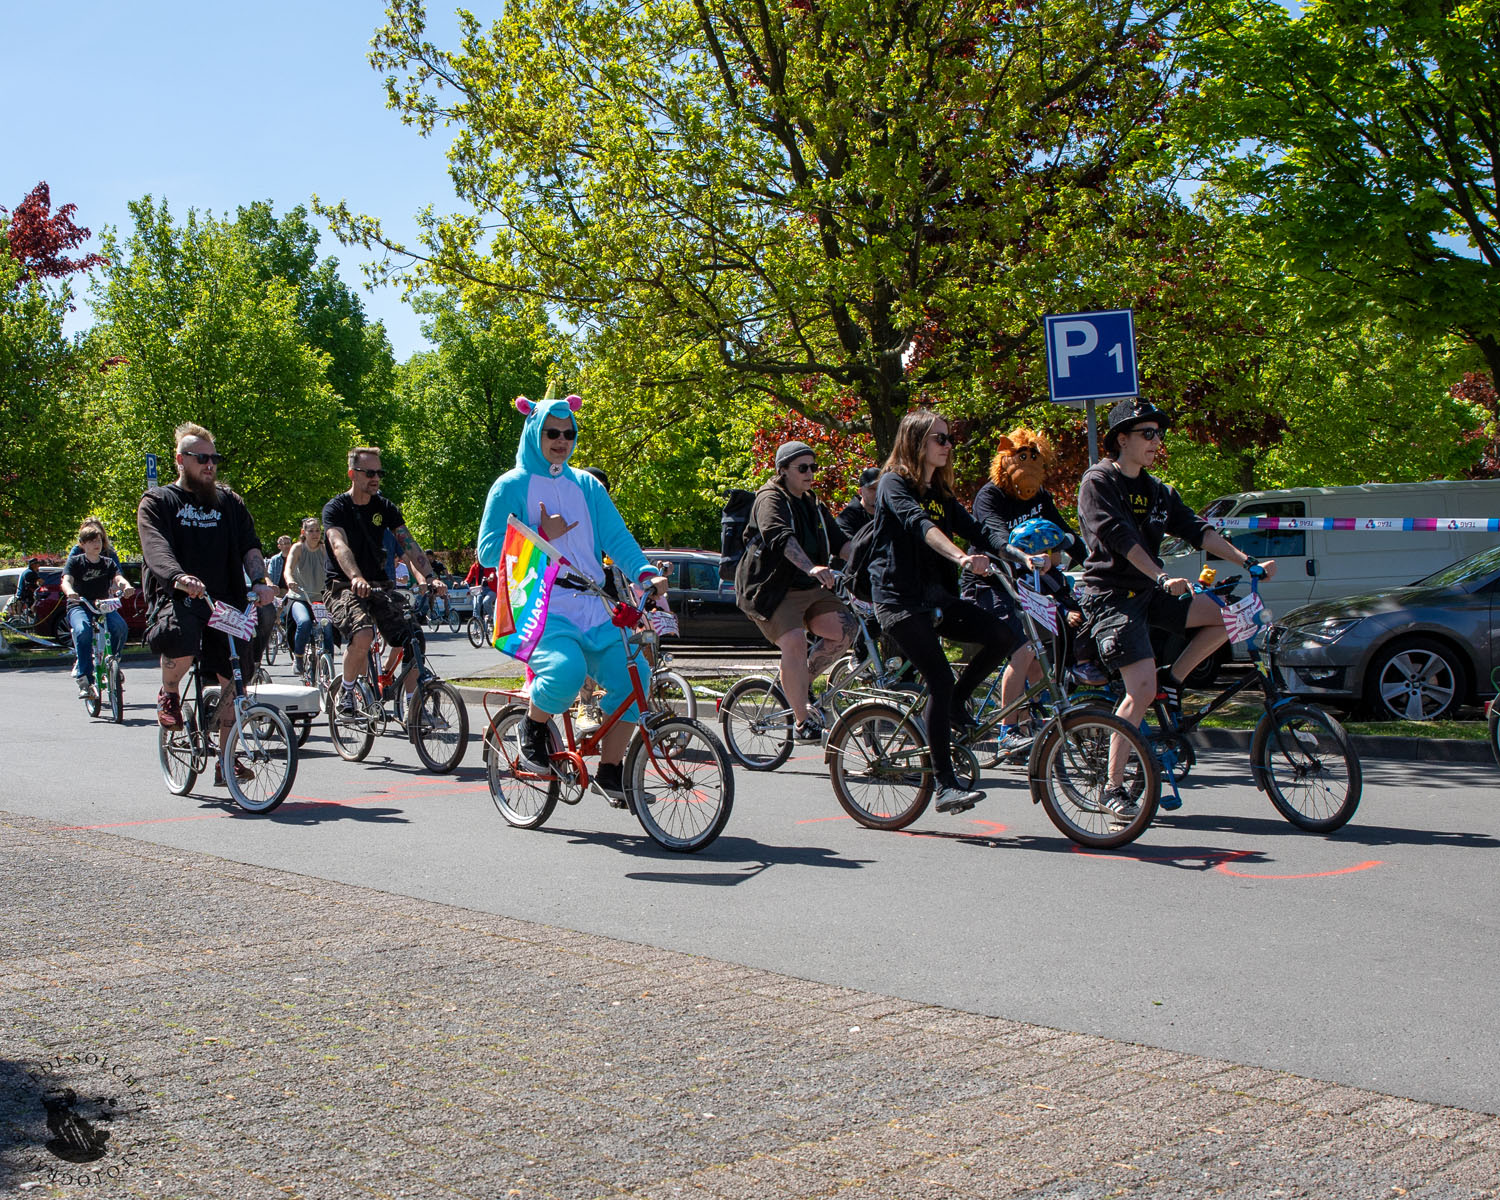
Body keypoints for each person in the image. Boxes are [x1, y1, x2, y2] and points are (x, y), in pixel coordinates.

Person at [1076, 399, 1276, 820]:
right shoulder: (1099, 481)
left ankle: (1175, 679)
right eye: (1147, 433)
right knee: (1139, 691)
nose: (1156, 441)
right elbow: (1119, 538)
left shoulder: (1159, 491)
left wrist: (1247, 561)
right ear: (1122, 439)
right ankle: (1111, 789)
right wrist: (1162, 577)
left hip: (1149, 591)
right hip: (1110, 596)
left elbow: (1197, 529)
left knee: (1229, 615)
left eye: (1158, 434)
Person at [476, 393, 667, 804]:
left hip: (592, 605)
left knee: (636, 678)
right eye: (551, 432)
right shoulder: (511, 485)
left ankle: (612, 772)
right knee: (566, 671)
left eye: (568, 433)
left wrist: (645, 573)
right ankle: (533, 726)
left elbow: (618, 538)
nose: (561, 440)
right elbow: (488, 553)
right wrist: (539, 534)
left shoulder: (587, 485)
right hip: (539, 607)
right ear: (534, 432)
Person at [867, 410, 1021, 814]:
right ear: (916, 441)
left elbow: (979, 532)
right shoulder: (893, 484)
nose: (948, 446)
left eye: (949, 439)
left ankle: (956, 704)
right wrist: (961, 558)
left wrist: (1018, 553)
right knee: (938, 678)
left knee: (1002, 636)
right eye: (940, 439)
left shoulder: (941, 492)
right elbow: (920, 526)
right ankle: (944, 784)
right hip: (898, 601)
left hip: (936, 598)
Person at [137, 422, 277, 786]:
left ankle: (226, 761)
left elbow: (250, 545)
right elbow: (155, 548)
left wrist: (260, 581)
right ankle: (168, 694)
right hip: (179, 595)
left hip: (224, 600)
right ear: (180, 460)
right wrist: (178, 577)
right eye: (202, 458)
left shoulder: (229, 502)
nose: (210, 465)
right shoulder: (158, 502)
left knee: (237, 675)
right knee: (179, 632)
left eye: (214, 458)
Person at [964, 428, 1092, 756]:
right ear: (1006, 462)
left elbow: (1063, 533)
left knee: (1041, 653)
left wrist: (1093, 561)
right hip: (989, 582)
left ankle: (1026, 720)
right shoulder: (989, 496)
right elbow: (995, 535)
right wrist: (1021, 555)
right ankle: (1007, 733)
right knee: (1022, 648)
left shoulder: (1039, 496)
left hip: (1026, 581)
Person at [735, 441, 857, 741]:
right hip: (772, 589)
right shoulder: (770, 498)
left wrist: (871, 563)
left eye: (814, 467)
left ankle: (799, 684)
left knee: (845, 629)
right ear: (783, 470)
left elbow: (841, 542)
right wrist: (811, 567)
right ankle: (803, 721)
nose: (810, 473)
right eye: (803, 468)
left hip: (809, 587)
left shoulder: (812, 502)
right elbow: (780, 538)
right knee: (794, 640)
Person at [322, 447, 446, 717]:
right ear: (352, 474)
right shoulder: (336, 508)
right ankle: (347, 690)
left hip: (379, 585)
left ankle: (414, 703)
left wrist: (431, 577)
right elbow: (338, 545)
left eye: (380, 472)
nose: (376, 478)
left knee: (413, 637)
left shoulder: (385, 507)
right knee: (363, 633)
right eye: (370, 473)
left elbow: (409, 544)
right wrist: (355, 577)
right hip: (343, 586)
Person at [61, 519, 134, 697]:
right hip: (80, 604)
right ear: (83, 544)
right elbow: (66, 581)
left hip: (102, 604)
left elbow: (118, 578)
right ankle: (85, 679)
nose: (97, 544)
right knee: (83, 630)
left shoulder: (107, 562)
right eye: (92, 541)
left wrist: (125, 586)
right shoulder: (76, 561)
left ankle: (113, 661)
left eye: (99, 541)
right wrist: (70, 591)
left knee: (120, 627)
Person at [284, 517, 332, 679]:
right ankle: (298, 658)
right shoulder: (298, 548)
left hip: (320, 599)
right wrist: (290, 580)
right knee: (303, 622)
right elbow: (288, 568)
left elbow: (334, 569)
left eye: (318, 530)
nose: (315, 534)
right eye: (311, 531)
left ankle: (328, 666)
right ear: (303, 532)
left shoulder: (325, 549)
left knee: (327, 628)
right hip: (300, 597)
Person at [835, 466, 880, 541]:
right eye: (872, 489)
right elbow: (848, 548)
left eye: (881, 488)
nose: (878, 493)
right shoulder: (846, 519)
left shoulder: (891, 514)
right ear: (860, 492)